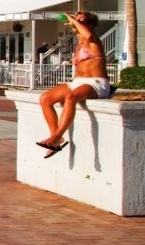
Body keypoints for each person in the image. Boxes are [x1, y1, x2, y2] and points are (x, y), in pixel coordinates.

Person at [37, 11, 110, 158]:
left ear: (90, 24)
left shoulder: (93, 39)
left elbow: (88, 35)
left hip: (96, 83)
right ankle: (56, 138)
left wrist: (72, 19)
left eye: (81, 21)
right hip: (78, 82)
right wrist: (75, 21)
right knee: (45, 99)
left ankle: (56, 137)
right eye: (76, 21)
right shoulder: (79, 44)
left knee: (70, 97)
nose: (76, 23)